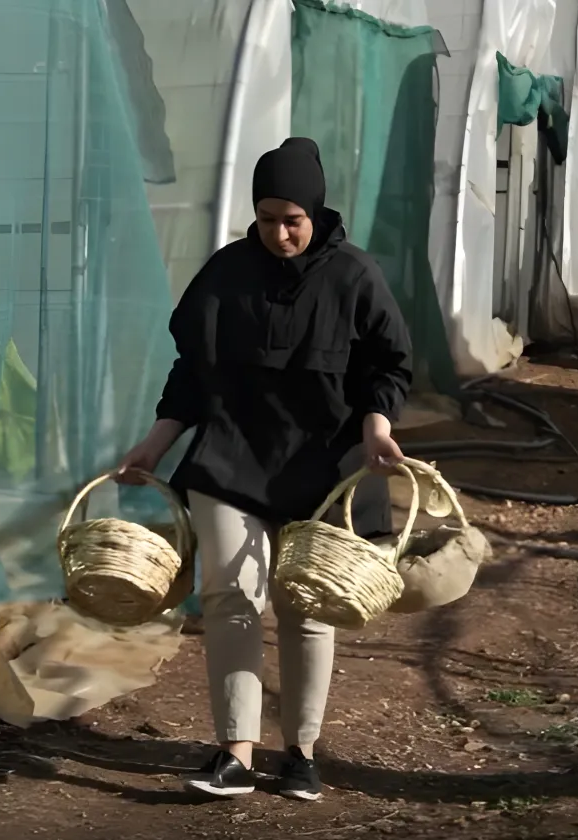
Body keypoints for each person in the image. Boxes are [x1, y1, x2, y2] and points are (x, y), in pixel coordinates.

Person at [114, 136, 414, 802]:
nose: (279, 233)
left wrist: (376, 427)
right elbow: (193, 371)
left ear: (315, 212)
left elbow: (388, 366)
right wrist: (156, 443)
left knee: (307, 609)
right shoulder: (226, 274)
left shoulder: (354, 277)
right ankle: (235, 753)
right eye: (267, 217)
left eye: (293, 220)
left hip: (323, 471)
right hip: (231, 459)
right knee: (231, 601)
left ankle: (301, 753)